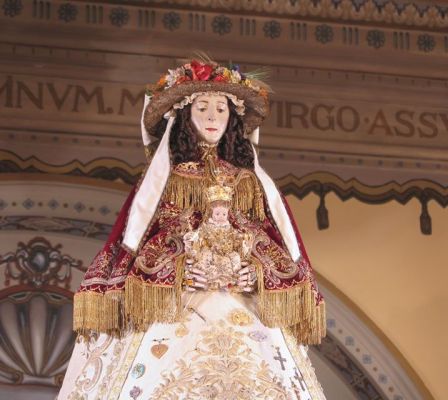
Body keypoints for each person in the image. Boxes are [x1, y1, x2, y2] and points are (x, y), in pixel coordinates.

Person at [58, 56, 326, 399]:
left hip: (243, 301)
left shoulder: (247, 181)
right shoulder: (167, 179)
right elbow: (152, 237)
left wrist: (257, 272)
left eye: (221, 109)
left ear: (232, 118)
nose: (213, 117)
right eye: (203, 108)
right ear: (185, 116)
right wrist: (179, 269)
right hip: (181, 297)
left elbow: (265, 237)